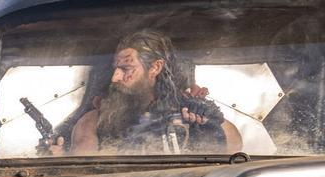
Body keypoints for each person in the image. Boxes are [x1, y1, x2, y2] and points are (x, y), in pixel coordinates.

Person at [52, 30, 242, 156]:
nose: (115, 77)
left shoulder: (190, 112)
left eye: (126, 69)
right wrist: (57, 159)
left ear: (155, 67)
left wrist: (210, 126)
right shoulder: (96, 120)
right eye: (115, 69)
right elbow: (83, 174)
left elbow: (234, 152)